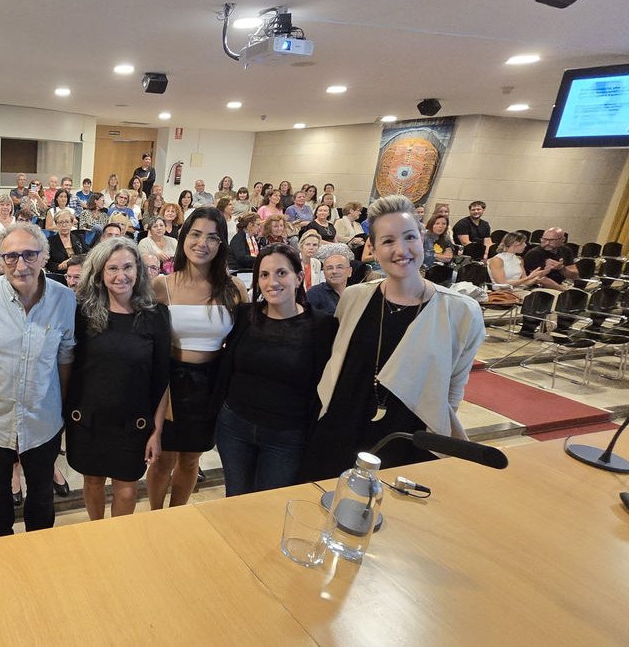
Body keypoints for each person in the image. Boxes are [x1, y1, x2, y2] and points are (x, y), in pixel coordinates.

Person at [301, 196, 485, 481]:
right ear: (372, 248)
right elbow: (337, 366)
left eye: (409, 237)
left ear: (421, 237)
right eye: (388, 241)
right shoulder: (354, 298)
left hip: (408, 439)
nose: (401, 250)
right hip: (340, 432)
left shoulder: (460, 311)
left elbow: (452, 390)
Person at [0, 223, 76, 537]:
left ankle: (38, 553)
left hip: (43, 420)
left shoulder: (64, 298)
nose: (20, 265)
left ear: (45, 256)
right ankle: (2, 552)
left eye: (30, 255)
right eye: (11, 256)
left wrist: (61, 407)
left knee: (42, 495)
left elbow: (65, 358)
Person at [214, 244, 336, 496]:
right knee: (235, 500)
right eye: (264, 275)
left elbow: (322, 386)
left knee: (270, 504)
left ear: (299, 277)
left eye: (281, 273)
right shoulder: (245, 315)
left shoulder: (321, 326)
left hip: (286, 435)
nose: (272, 282)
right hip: (235, 427)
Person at [146, 208, 246, 509]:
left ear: (222, 245)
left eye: (213, 237)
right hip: (169, 384)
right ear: (184, 237)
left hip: (211, 384)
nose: (203, 243)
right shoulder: (162, 286)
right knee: (162, 459)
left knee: (191, 460)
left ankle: (177, 516)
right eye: (196, 234)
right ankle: (154, 515)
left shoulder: (234, 289)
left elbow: (244, 343)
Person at [66, 238, 169, 519]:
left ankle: (117, 542)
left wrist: (156, 431)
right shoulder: (82, 314)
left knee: (126, 491)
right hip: (89, 419)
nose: (120, 276)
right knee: (93, 483)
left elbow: (162, 378)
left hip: (133, 422)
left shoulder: (156, 315)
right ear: (99, 273)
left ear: (139, 270)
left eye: (127, 267)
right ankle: (96, 532)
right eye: (112, 268)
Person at [523, 227, 578, 291]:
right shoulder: (534, 253)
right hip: (539, 287)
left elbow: (574, 275)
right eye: (544, 239)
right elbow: (540, 279)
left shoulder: (566, 250)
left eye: (551, 240)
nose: (547, 243)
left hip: (561, 284)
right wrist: (564, 291)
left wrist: (561, 268)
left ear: (562, 240)